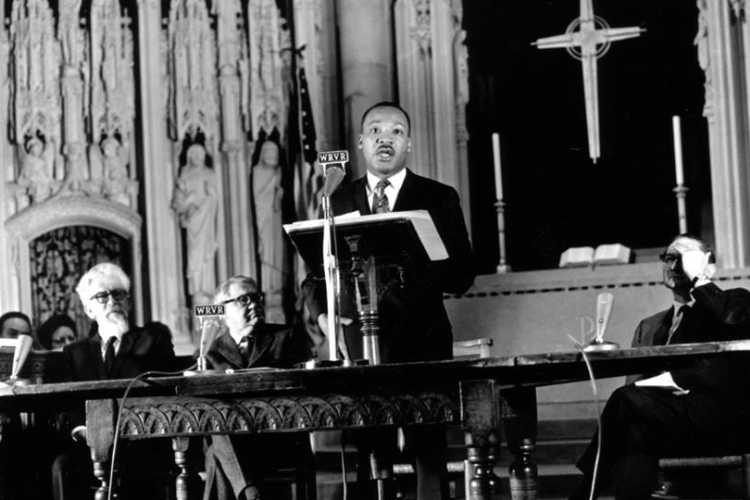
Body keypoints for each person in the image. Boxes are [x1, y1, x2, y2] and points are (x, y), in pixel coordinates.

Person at [301, 101, 475, 500]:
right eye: (376, 131)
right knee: (367, 451)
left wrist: (417, 251)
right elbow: (314, 275)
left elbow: (463, 276)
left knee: (427, 449)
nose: (386, 138)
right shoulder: (336, 200)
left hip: (423, 340)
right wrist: (325, 315)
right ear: (361, 142)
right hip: (361, 345)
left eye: (396, 132)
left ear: (408, 144)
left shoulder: (438, 196)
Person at [569, 234, 750, 500]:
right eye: (669, 257)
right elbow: (634, 385)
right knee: (632, 426)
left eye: (684, 256)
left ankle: (588, 489)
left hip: (720, 422)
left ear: (708, 264)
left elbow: (734, 322)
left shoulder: (735, 301)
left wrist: (701, 280)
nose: (674, 264)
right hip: (666, 424)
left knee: (627, 403)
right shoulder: (651, 325)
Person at [52, 262, 177, 500]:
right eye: (102, 296)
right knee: (62, 465)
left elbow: (167, 390)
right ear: (89, 309)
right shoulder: (74, 352)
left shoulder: (152, 340)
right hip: (89, 442)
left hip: (142, 438)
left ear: (128, 301)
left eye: (119, 293)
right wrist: (83, 432)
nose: (113, 300)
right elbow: (67, 403)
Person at [201, 275, 313, 500]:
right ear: (223, 311)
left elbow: (301, 386)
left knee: (216, 453)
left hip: (274, 436)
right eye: (244, 299)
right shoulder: (209, 351)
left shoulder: (286, 336)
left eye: (257, 298)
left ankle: (250, 493)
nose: (255, 304)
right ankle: (251, 493)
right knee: (217, 432)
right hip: (233, 437)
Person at [172, 143, 219, 300]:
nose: (196, 158)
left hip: (207, 223)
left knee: (207, 258)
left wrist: (211, 196)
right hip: (192, 224)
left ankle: (207, 292)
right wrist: (188, 203)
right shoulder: (184, 175)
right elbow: (177, 204)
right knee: (193, 258)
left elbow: (216, 202)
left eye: (199, 154)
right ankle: (196, 293)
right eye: (193, 154)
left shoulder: (210, 173)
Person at [252, 140, 285, 323]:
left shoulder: (276, 172)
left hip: (275, 219)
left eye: (275, 152)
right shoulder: (258, 171)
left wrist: (278, 191)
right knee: (267, 250)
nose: (272, 156)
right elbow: (260, 197)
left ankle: (276, 292)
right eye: (269, 152)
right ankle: (269, 290)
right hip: (264, 220)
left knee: (277, 252)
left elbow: (277, 201)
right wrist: (274, 180)